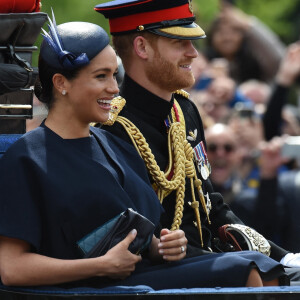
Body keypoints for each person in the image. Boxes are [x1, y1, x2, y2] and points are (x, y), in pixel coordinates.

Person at [0, 15, 286, 289]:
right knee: (245, 270)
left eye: (114, 75)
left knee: (266, 268)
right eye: (101, 76)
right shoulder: (27, 157)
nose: (113, 88)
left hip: (133, 278)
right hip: (90, 286)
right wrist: (100, 265)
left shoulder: (111, 145)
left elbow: (141, 235)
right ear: (61, 83)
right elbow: (12, 269)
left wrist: (163, 246)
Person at [95, 0, 300, 283]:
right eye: (180, 43)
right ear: (142, 48)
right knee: (255, 273)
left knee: (279, 271)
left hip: (202, 257)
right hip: (150, 270)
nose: (193, 53)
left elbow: (209, 204)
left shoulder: (184, 110)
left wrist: (281, 256)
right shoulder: (113, 127)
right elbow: (140, 237)